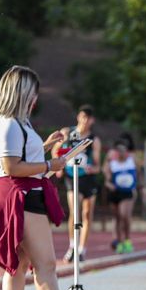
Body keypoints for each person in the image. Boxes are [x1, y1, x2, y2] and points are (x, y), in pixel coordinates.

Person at [0, 65, 92, 290]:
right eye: (33, 93)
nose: (36, 98)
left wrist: (44, 147)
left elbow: (17, 160)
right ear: (23, 93)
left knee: (18, 262)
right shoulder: (9, 123)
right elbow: (12, 166)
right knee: (45, 263)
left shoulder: (14, 122)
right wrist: (50, 163)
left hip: (18, 191)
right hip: (21, 193)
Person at [53, 105, 102, 262]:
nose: (85, 121)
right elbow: (55, 150)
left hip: (87, 178)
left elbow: (97, 166)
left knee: (87, 214)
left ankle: (82, 249)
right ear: (78, 117)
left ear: (92, 120)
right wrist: (57, 167)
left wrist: (91, 169)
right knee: (74, 212)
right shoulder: (67, 133)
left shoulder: (94, 140)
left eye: (88, 118)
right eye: (83, 117)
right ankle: (72, 246)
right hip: (71, 175)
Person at [102, 134, 139, 253]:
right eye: (118, 150)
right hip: (115, 193)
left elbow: (139, 174)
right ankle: (119, 241)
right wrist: (109, 185)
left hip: (128, 192)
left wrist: (142, 189)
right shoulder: (111, 162)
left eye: (123, 150)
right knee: (117, 218)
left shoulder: (131, 160)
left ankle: (127, 240)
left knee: (125, 215)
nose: (121, 153)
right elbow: (106, 180)